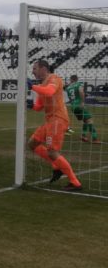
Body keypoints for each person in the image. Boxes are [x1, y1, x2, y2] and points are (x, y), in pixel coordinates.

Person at [28, 60, 81, 191]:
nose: (32, 71)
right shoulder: (42, 85)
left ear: (43, 68)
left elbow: (50, 92)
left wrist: (32, 87)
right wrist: (31, 105)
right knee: (32, 143)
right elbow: (39, 107)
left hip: (58, 119)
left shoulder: (54, 78)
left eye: (35, 68)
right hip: (50, 121)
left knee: (52, 152)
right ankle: (57, 166)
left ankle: (75, 182)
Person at [65, 75, 100, 144]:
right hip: (79, 105)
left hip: (73, 107)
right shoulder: (79, 84)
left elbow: (73, 95)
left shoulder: (68, 88)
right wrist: (83, 102)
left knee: (85, 120)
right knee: (89, 120)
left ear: (71, 79)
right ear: (77, 79)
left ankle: (83, 136)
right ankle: (95, 138)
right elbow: (81, 92)